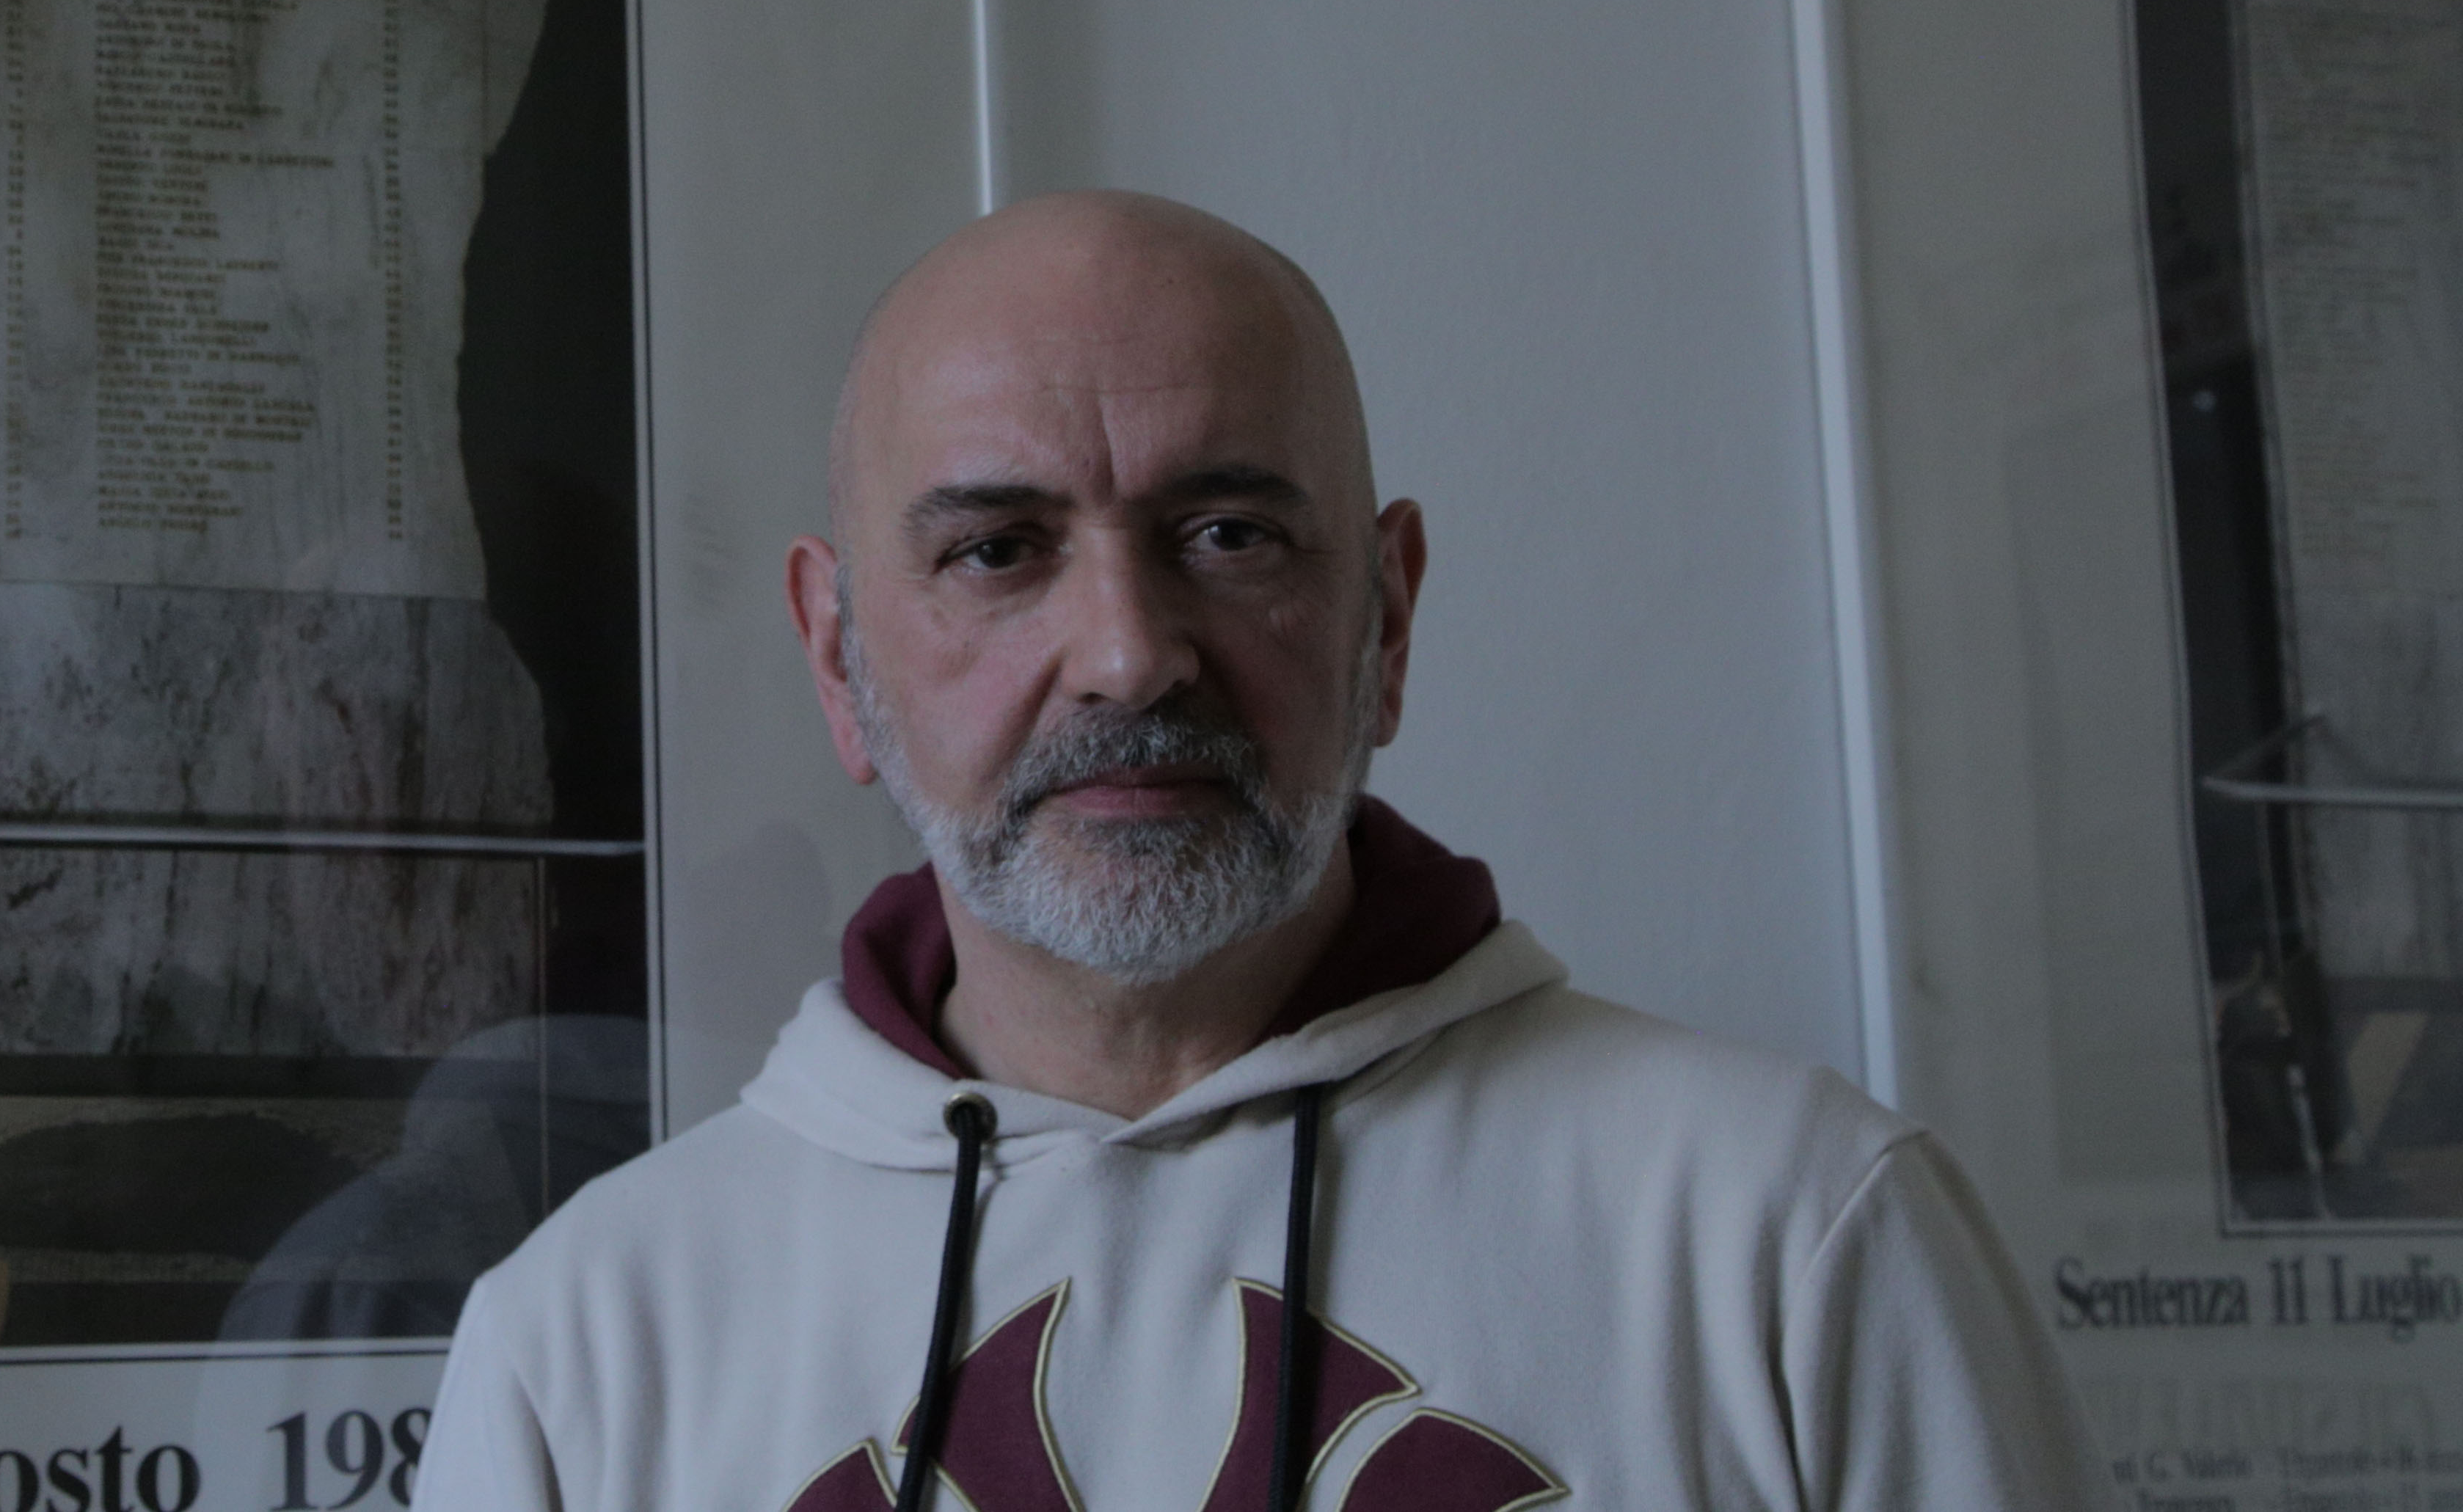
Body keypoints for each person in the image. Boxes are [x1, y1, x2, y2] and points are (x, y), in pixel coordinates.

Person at [417, 191, 2110, 1512]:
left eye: (1225, 534)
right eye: (997, 550)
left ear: (1387, 615)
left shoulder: (1787, 1238)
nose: (1126, 654)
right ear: (836, 654)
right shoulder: (588, 1347)